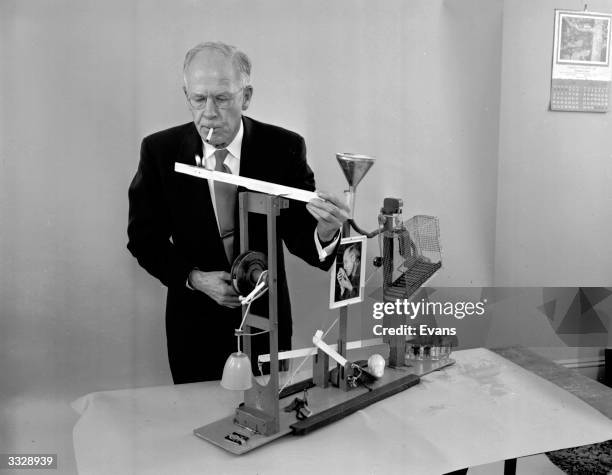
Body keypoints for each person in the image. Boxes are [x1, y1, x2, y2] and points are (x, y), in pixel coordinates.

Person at [127, 41, 349, 384]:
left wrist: (325, 230)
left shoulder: (284, 147)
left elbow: (301, 239)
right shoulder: (159, 151)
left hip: (267, 323)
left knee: (267, 422)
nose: (209, 113)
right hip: (194, 325)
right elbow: (144, 240)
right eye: (198, 99)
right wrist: (195, 279)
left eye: (222, 98)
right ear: (186, 95)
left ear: (246, 97)